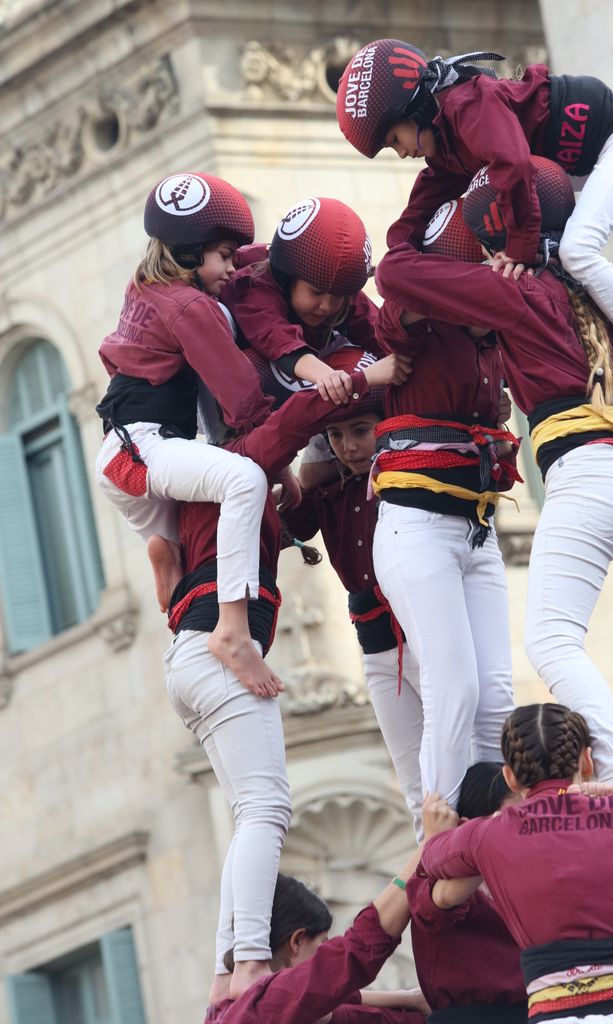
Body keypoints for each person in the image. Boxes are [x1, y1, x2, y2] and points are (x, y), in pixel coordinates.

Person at [374, 161, 613, 789]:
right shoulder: (594, 280)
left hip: (590, 476)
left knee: (550, 642)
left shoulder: (514, 292)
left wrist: (441, 177)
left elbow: (396, 272)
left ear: (497, 235)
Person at [155, 348, 410, 1004]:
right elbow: (296, 421)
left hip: (187, 657)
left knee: (250, 813)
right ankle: (246, 966)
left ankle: (224, 974)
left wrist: (296, 485)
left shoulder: (199, 484)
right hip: (218, 649)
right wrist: (361, 376)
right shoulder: (234, 464)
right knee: (266, 809)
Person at [336, 40, 613, 417]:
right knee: (560, 256)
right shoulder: (449, 149)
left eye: (394, 140)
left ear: (417, 107)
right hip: (592, 162)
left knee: (578, 251)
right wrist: (397, 258)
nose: (401, 152)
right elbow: (418, 209)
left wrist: (519, 248)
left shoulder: (467, 105)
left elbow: (514, 166)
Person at [94, 171, 281, 695]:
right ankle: (233, 630)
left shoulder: (148, 283)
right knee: (243, 482)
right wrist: (281, 442)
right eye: (223, 255)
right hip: (146, 451)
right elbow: (242, 396)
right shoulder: (191, 308)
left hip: (122, 460)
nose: (229, 267)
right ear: (193, 252)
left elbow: (232, 263)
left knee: (189, 534)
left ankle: (167, 554)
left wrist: (279, 254)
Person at [370, 202, 520, 809]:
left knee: (496, 698)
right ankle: (438, 841)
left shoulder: (494, 348)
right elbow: (396, 280)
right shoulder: (422, 329)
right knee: (453, 687)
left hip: (476, 534)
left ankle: (490, 840)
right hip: (417, 531)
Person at [421, 703, 613, 1023]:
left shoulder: (489, 834)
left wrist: (436, 836)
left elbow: (434, 860)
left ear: (510, 777)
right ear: (587, 761)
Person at [281, 352, 425, 837]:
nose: (348, 446)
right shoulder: (327, 491)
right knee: (414, 782)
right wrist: (306, 464)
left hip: (422, 629)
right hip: (377, 646)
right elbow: (285, 525)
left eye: (361, 430)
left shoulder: (410, 475)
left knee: (461, 757)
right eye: (336, 436)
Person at [202, 794, 456, 1023]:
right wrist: (427, 847)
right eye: (322, 943)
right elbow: (358, 950)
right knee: (262, 806)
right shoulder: (265, 1007)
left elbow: (339, 1005)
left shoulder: (228, 1011)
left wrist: (409, 998)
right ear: (296, 941)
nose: (326, 950)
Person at [223, 197, 382, 409]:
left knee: (365, 363)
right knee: (255, 363)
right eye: (316, 292)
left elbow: (381, 333)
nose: (326, 306)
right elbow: (277, 338)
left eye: (337, 296)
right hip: (230, 394)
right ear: (286, 278)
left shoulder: (340, 288)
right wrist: (327, 375)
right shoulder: (252, 284)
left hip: (304, 369)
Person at [408, 762, 526, 1022]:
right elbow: (435, 905)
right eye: (510, 820)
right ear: (468, 826)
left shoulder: (530, 881)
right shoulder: (437, 883)